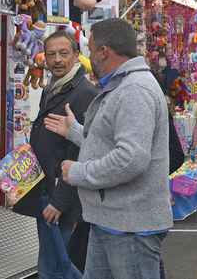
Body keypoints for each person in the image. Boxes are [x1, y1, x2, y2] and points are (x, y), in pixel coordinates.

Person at [44, 18, 173, 279]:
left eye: (91, 50)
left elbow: (131, 158)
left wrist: (79, 172)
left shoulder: (134, 89)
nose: (90, 57)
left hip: (130, 227)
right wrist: (76, 133)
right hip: (112, 221)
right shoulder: (122, 86)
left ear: (105, 51)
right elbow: (111, 143)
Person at [11, 30, 97, 279]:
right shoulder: (55, 88)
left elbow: (82, 152)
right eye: (51, 55)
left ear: (77, 56)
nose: (57, 60)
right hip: (46, 188)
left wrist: (60, 201)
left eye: (64, 53)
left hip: (63, 199)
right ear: (44, 59)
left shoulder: (83, 93)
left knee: (59, 266)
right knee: (51, 263)